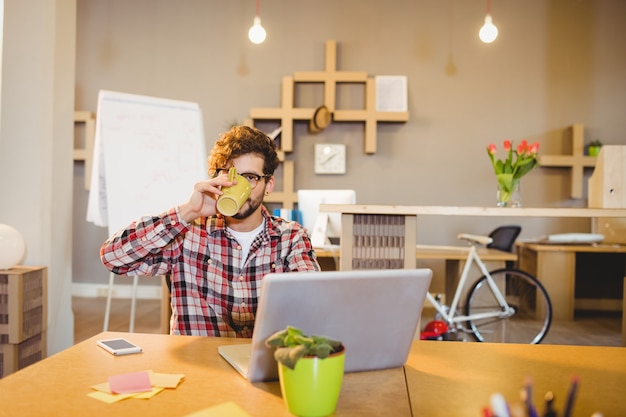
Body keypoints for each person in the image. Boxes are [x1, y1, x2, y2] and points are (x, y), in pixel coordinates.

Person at [100, 125, 320, 337]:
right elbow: (113, 258)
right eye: (231, 175)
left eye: (250, 178)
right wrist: (188, 211)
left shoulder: (290, 237)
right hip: (198, 367)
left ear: (268, 185)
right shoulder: (189, 232)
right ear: (218, 179)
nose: (237, 185)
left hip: (262, 369)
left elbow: (313, 304)